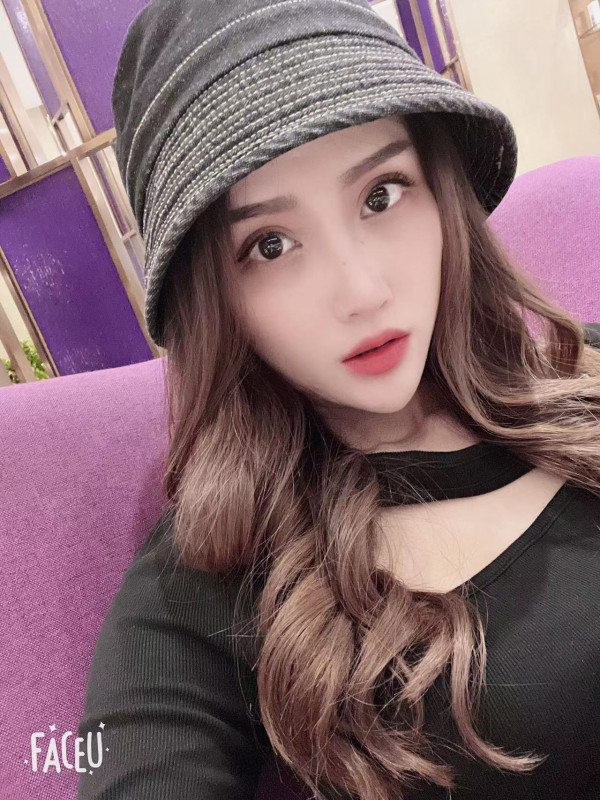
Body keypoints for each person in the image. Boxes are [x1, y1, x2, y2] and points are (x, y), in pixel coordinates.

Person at [76, 0, 600, 798]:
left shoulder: (580, 367)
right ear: (213, 301)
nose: (362, 290)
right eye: (271, 245)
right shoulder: (215, 572)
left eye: (381, 195)